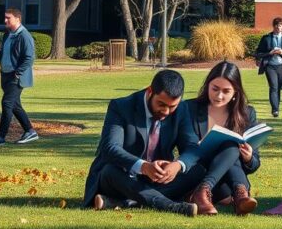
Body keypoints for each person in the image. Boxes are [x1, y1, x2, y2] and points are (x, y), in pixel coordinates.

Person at [83, 70, 202, 217]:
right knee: (109, 171)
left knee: (198, 171)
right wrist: (144, 167)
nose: (166, 111)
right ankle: (169, 206)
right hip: (122, 177)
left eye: (172, 107)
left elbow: (192, 147)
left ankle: (128, 202)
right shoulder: (121, 107)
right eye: (161, 104)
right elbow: (110, 148)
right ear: (150, 91)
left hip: (156, 179)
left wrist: (177, 165)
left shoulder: (182, 109)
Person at [181, 62, 261, 216]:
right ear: (207, 85)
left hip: (228, 178)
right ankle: (240, 195)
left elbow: (255, 164)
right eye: (215, 89)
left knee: (231, 146)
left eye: (226, 91)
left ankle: (209, 193)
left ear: (236, 92)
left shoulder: (246, 113)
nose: (219, 96)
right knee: (230, 145)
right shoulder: (190, 108)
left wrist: (249, 157)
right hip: (198, 170)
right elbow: (184, 145)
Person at [0, 8, 38, 145]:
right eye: (5, 17)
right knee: (14, 105)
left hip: (16, 77)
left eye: (8, 18)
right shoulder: (7, 34)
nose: (5, 20)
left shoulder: (24, 36)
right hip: (5, 76)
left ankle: (0, 136)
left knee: (7, 103)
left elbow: (29, 58)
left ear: (18, 19)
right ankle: (30, 131)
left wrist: (18, 72)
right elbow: (6, 57)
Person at [254, 17, 282, 117]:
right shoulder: (266, 38)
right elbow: (258, 53)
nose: (279, 28)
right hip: (270, 66)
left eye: (281, 26)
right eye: (277, 25)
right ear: (274, 26)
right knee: (273, 87)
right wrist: (269, 53)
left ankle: (276, 107)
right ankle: (275, 110)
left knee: (277, 88)